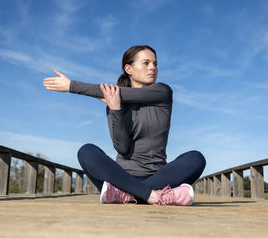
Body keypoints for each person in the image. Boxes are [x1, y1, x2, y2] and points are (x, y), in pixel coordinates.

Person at [43, 45, 206, 205]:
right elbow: (122, 148)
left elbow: (114, 92)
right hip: (121, 178)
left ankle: (127, 196)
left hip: (159, 177)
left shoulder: (162, 92)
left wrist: (72, 86)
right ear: (129, 69)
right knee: (86, 151)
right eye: (146, 63)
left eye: (155, 63)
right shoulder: (114, 103)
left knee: (196, 158)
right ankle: (154, 197)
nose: (153, 68)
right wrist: (115, 110)